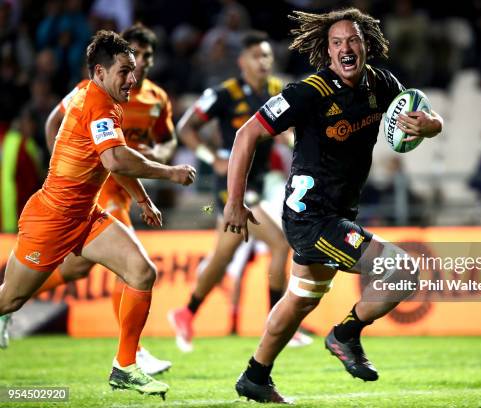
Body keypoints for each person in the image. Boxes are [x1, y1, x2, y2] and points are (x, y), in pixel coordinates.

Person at [223, 8, 443, 403]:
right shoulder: (309, 92)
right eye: (337, 42)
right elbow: (247, 133)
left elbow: (427, 115)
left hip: (339, 213)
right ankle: (346, 334)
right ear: (327, 52)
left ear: (366, 45)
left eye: (353, 40)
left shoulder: (381, 83)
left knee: (300, 299)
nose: (346, 48)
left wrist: (431, 125)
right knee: (403, 270)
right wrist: (233, 204)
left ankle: (255, 376)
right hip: (311, 218)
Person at [0, 30, 196, 399]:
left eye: (134, 70)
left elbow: (113, 162)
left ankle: (125, 366)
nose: (132, 79)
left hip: (85, 216)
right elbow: (116, 158)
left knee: (141, 272)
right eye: (124, 71)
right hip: (51, 219)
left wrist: (140, 198)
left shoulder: (108, 102)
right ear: (100, 72)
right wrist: (169, 172)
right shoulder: (97, 104)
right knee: (8, 299)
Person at [35, 23, 177, 376]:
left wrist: (155, 153)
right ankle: (133, 354)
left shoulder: (155, 99)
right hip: (103, 189)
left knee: (81, 267)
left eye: (146, 56)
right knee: (133, 267)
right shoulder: (91, 92)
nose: (141, 63)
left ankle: (13, 301)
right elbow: (61, 125)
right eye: (134, 57)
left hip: (122, 187)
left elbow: (167, 140)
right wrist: (66, 163)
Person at [167, 31, 311, 352]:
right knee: (279, 243)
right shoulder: (225, 94)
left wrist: (291, 141)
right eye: (257, 56)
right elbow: (185, 128)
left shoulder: (277, 91)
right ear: (242, 61)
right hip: (232, 186)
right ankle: (280, 323)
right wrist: (211, 157)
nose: (263, 62)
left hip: (256, 184)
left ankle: (186, 313)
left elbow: (285, 131)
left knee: (224, 255)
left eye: (267, 56)